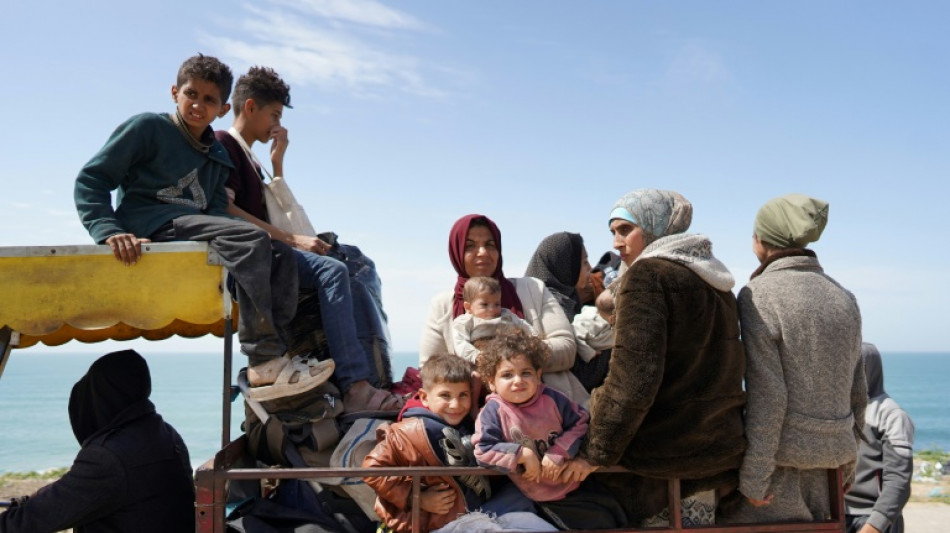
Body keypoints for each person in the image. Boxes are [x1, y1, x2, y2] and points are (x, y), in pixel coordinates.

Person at [74, 54, 331, 402]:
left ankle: (280, 354)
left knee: (280, 253)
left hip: (194, 227)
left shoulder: (217, 156)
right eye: (191, 94)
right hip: (151, 224)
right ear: (174, 92)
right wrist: (108, 229)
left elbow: (214, 212)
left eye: (209, 100)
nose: (197, 104)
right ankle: (262, 356)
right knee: (254, 239)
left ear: (223, 109)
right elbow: (92, 179)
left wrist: (277, 241)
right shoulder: (148, 128)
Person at [214, 65, 400, 413]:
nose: (277, 125)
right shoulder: (226, 144)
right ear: (250, 107)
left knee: (354, 261)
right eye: (274, 114)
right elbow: (227, 210)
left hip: (272, 248)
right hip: (258, 255)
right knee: (333, 272)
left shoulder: (252, 157)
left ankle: (371, 375)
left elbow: (271, 210)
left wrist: (277, 165)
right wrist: (294, 241)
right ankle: (356, 385)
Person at [562, 189, 746, 527]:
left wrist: (595, 451)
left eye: (624, 229)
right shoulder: (716, 281)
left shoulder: (648, 277)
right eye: (613, 232)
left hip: (659, 464)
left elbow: (633, 379)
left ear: (654, 226)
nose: (617, 243)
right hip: (711, 458)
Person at [725, 194, 866, 524]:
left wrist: (755, 479)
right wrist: (849, 464)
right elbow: (858, 393)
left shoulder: (758, 294)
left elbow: (768, 396)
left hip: (779, 469)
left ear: (761, 240)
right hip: (832, 464)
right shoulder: (844, 297)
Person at [0, 350, 194, 533]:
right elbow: (78, 489)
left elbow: (35, 519)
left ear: (100, 396)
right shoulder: (164, 433)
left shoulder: (108, 455)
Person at [363, 354, 554, 533]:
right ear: (424, 397)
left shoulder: (471, 426)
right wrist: (419, 499)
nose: (455, 405)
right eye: (445, 396)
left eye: (463, 395)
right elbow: (373, 469)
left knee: (524, 500)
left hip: (478, 509)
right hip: (438, 519)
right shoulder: (406, 433)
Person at [419, 214, 588, 407]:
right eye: (470, 246)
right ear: (456, 253)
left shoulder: (532, 289)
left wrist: (511, 361)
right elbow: (429, 369)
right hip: (468, 419)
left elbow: (566, 348)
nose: (482, 252)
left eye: (490, 245)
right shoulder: (442, 305)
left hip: (547, 413)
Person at [473, 329, 625, 529]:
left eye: (525, 373)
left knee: (609, 519)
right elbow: (483, 449)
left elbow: (581, 422)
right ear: (492, 382)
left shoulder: (553, 399)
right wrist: (521, 454)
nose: (518, 380)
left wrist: (558, 452)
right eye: (507, 375)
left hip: (571, 485)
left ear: (538, 375)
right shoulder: (493, 411)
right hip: (528, 492)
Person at [845, 343, 914, 533]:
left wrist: (874, 526)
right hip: (837, 516)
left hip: (873, 520)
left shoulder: (892, 415)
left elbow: (898, 480)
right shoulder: (841, 412)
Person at [452, 276, 537, 363]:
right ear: (468, 307)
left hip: (509, 354)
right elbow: (460, 342)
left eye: (497, 304)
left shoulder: (506, 315)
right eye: (484, 305)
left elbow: (523, 325)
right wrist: (475, 355)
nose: (492, 309)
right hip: (483, 358)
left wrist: (534, 338)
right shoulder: (466, 321)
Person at [571, 288, 615, 365]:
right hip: (590, 358)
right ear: (612, 319)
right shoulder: (591, 322)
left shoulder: (603, 318)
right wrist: (589, 353)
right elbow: (574, 334)